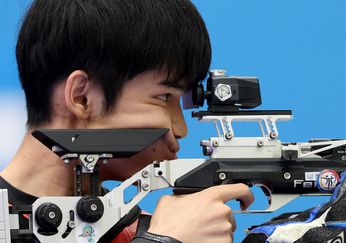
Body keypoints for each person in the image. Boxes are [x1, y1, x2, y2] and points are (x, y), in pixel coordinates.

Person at [1, 0, 253, 242]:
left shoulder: (152, 230)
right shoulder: (166, 233)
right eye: (164, 97)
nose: (181, 129)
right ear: (82, 98)